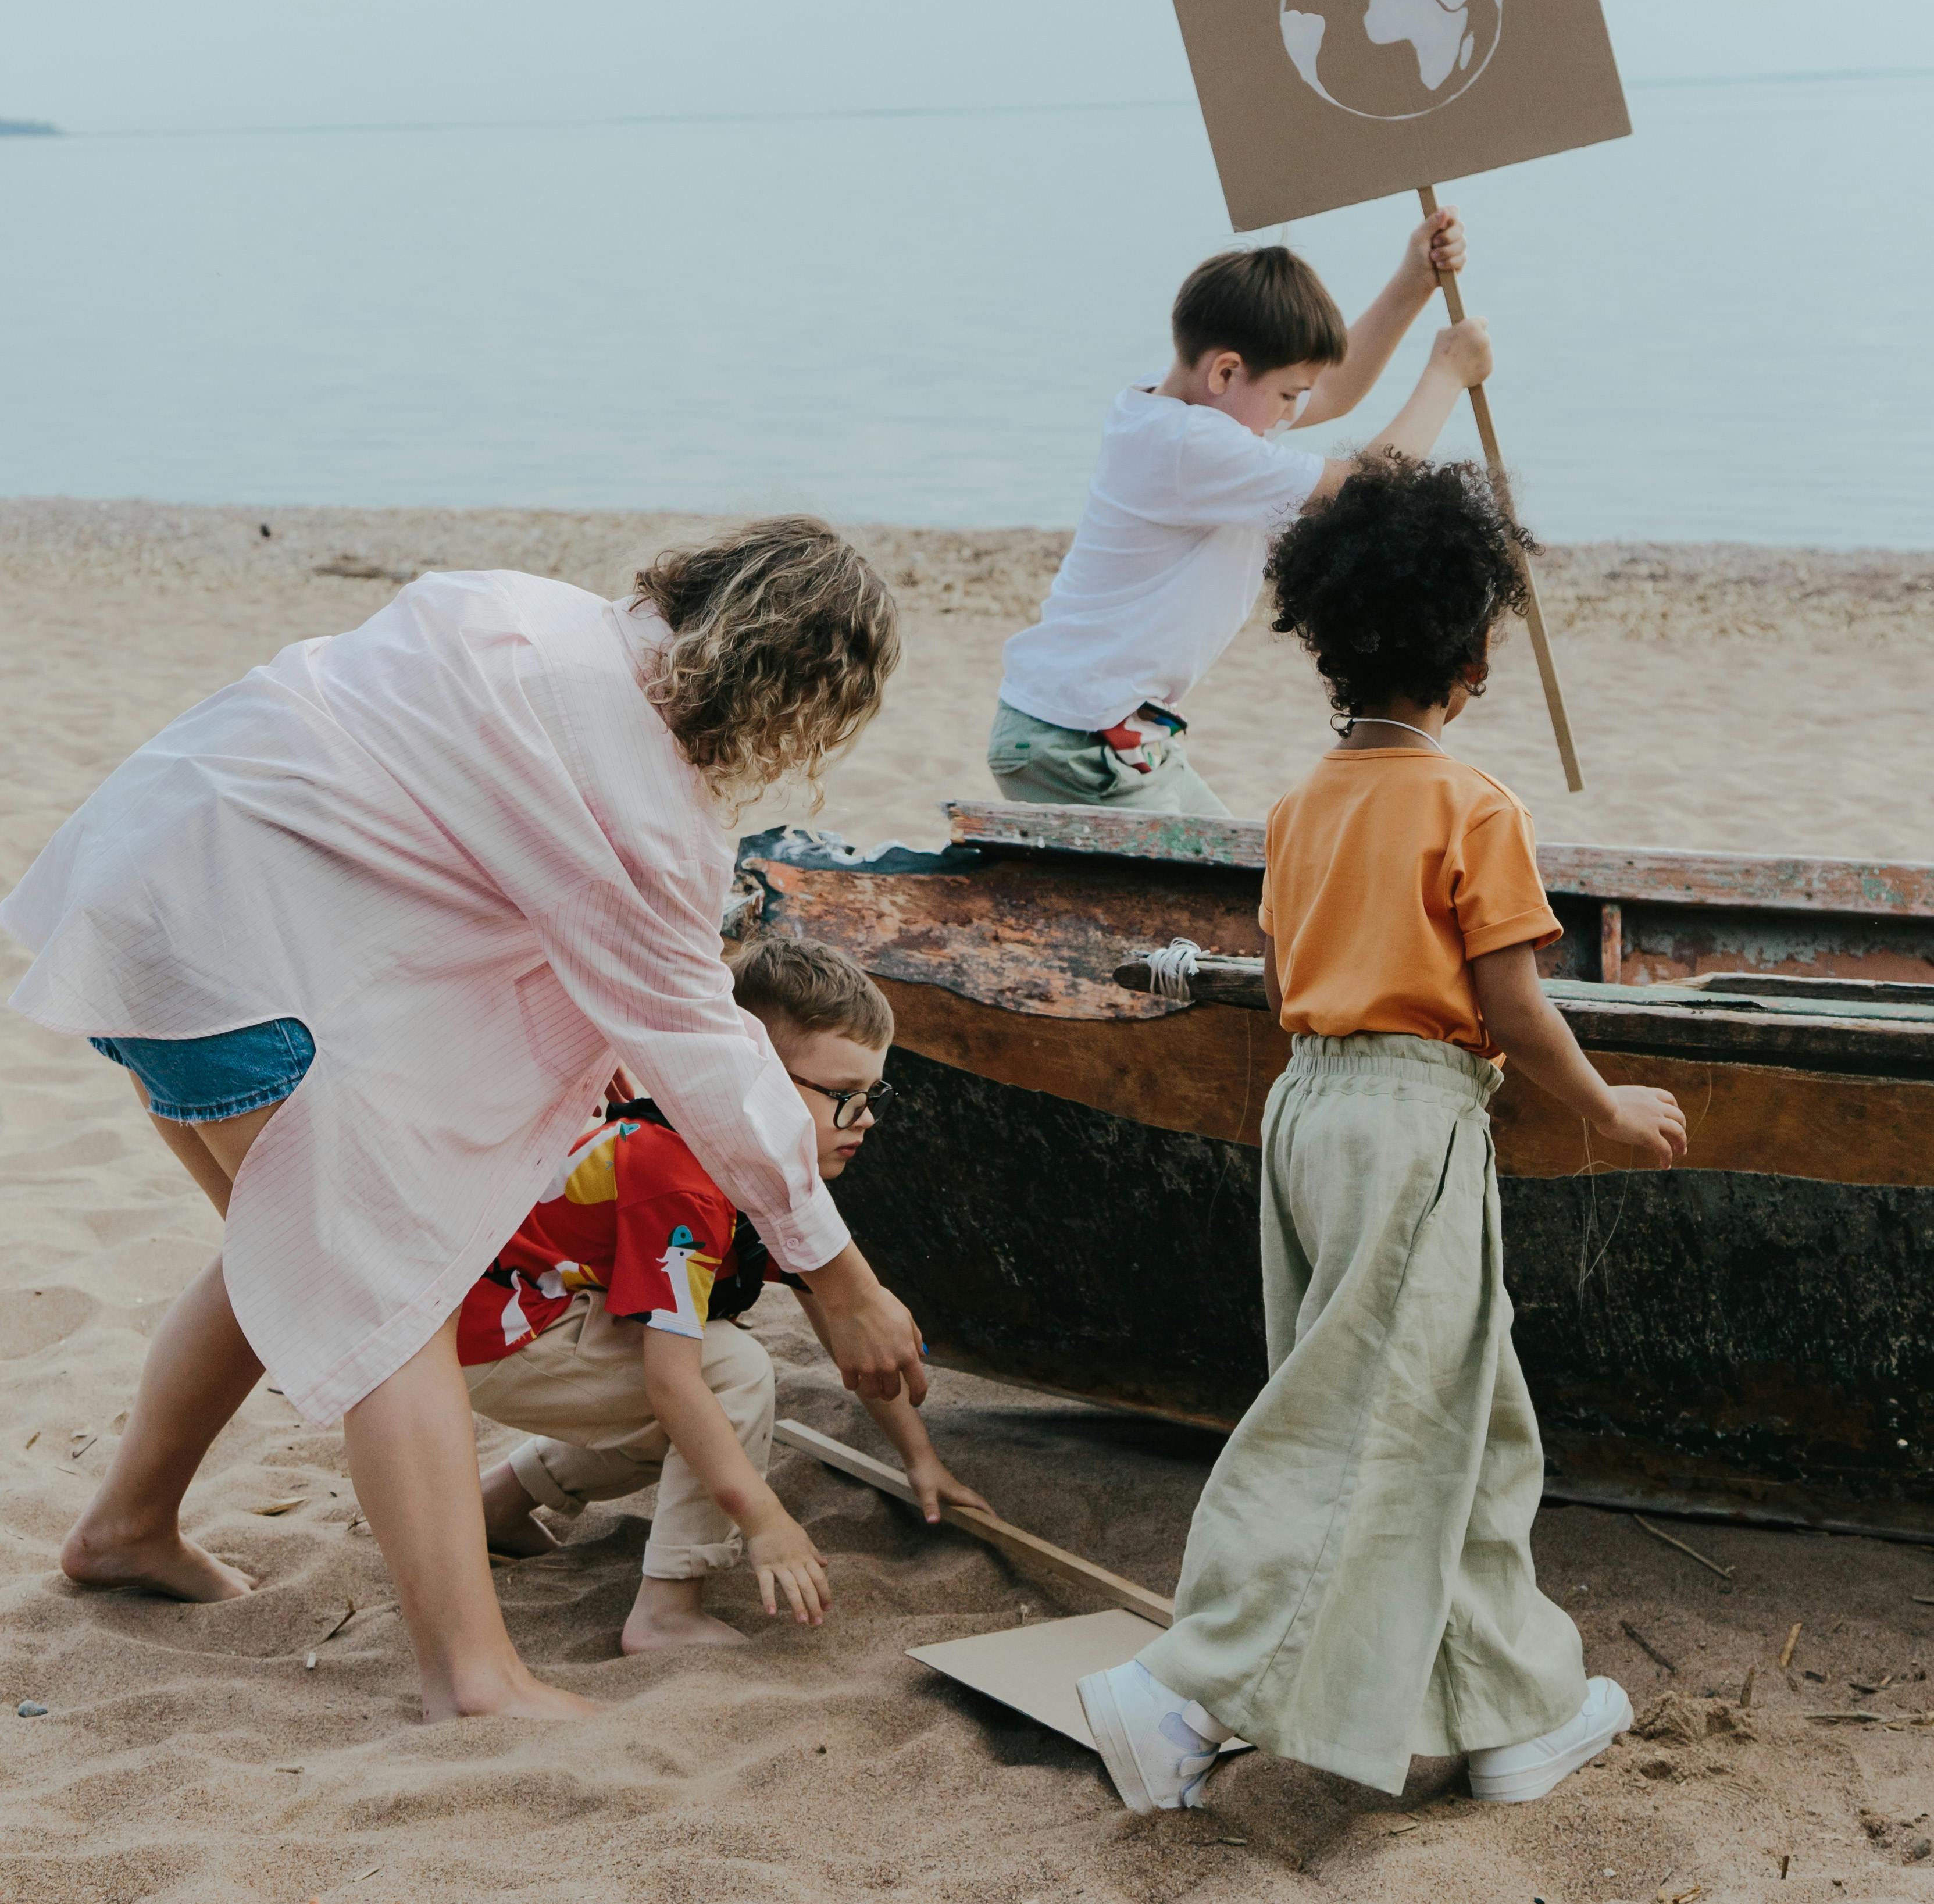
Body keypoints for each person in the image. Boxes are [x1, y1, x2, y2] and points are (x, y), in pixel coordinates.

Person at [1, 519, 928, 1724]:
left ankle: (126, 1524)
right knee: (397, 1296)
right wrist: (838, 1275)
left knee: (290, 1244)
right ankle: (471, 1676)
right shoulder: (637, 792)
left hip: (128, 878)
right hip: (226, 942)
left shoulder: (517, 606)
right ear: (798, 697)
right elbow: (706, 1053)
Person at [1076, 456, 1687, 1811]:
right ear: (1472, 653)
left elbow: (1296, 958)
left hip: (1309, 1106)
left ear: (1330, 644)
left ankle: (1513, 1707)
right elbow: (1509, 1002)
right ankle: (1186, 1694)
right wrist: (1606, 1105)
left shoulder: (1300, 805)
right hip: (1416, 1115)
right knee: (1358, 1419)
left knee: (1455, 1409)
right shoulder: (1474, 806)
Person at [463, 935, 990, 1652]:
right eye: (842, 1096)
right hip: (496, 1335)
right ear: (750, 1078)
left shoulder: (768, 1175)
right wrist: (765, 1519)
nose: (865, 1118)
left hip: (545, 1318)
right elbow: (671, 1381)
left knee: (710, 1411)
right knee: (729, 1375)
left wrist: (921, 1461)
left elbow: (847, 1328)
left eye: (873, 1094)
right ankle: (666, 1610)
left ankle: (498, 1506)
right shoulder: (683, 1179)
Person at [987, 213, 1493, 819]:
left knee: (1250, 876)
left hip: (1097, 727)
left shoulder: (1172, 406)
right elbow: (1363, 485)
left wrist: (1413, 282)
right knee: (1222, 893)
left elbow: (1330, 392)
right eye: (1283, 396)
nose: (1287, 414)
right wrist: (1445, 375)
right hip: (1077, 739)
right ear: (1224, 370)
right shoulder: (1191, 447)